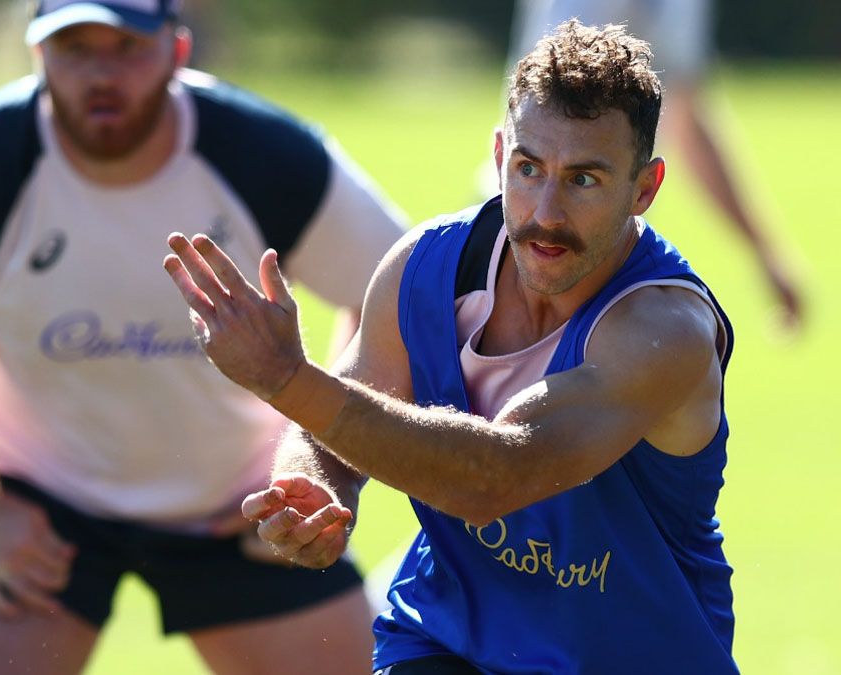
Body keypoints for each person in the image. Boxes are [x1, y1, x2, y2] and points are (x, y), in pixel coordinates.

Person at [0, 1, 408, 672]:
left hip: (242, 499)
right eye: (75, 48)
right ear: (37, 55)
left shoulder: (269, 157)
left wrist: (309, 465)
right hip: (35, 495)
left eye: (126, 48)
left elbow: (397, 300)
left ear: (177, 51)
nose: (101, 75)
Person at [166, 19, 738, 674]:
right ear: (499, 157)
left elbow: (496, 477)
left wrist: (287, 379)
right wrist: (316, 485)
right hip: (446, 643)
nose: (545, 211)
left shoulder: (662, 331)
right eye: (528, 169)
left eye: (584, 179)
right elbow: (340, 420)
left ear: (645, 188)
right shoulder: (427, 269)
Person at [510, 0, 802, 329]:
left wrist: (764, 252)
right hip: (524, 236)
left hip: (607, 248)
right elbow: (556, 113)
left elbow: (686, 124)